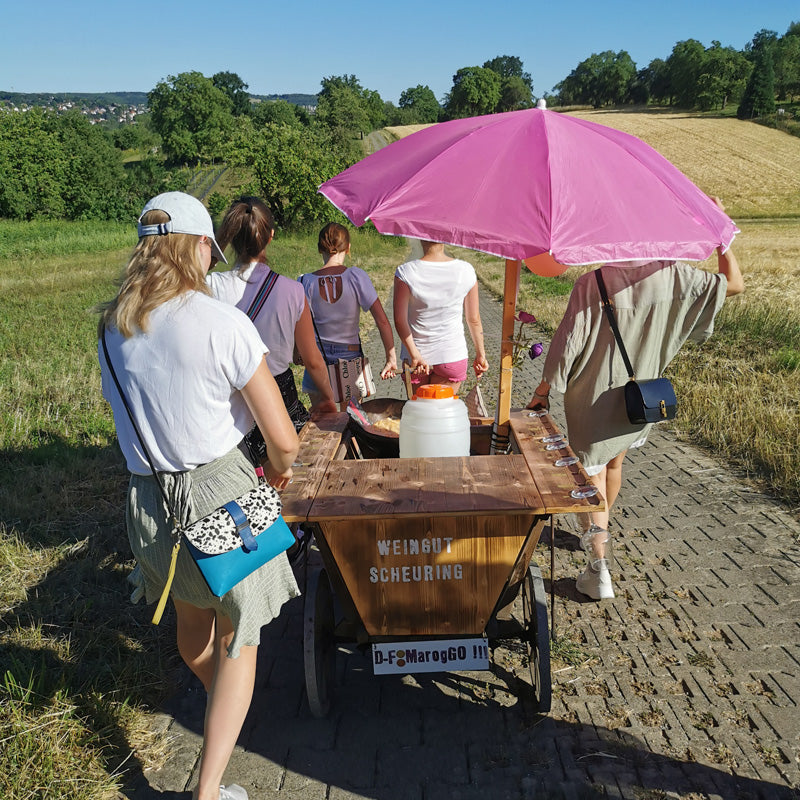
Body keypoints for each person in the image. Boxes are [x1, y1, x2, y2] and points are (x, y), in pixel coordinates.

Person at [98, 191, 300, 800]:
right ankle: (208, 790)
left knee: (194, 628)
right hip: (223, 493)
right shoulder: (221, 323)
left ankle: (223, 710)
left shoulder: (110, 327)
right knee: (242, 638)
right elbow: (283, 439)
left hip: (148, 500)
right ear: (199, 247)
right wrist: (280, 474)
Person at [527, 203, 743, 602]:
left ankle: (598, 569)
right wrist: (720, 235)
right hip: (637, 399)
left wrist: (542, 393)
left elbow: (563, 350)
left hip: (592, 399)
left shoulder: (593, 283)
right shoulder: (675, 275)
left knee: (588, 477)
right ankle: (598, 534)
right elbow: (734, 284)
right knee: (614, 464)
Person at [209, 196, 338, 431]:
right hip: (279, 396)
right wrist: (328, 398)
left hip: (231, 399)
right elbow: (312, 361)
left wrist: (215, 252)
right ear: (271, 236)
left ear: (231, 238)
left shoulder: (212, 286)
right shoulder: (293, 290)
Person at [298, 222, 397, 409]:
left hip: (317, 357)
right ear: (348, 248)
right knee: (352, 421)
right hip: (350, 358)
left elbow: (298, 325)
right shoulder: (356, 276)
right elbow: (382, 320)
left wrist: (297, 352)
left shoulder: (305, 281)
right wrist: (390, 357)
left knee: (322, 423)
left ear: (320, 249)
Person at [393, 239, 489, 394]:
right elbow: (474, 319)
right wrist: (480, 354)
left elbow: (399, 320)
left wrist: (415, 355)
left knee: (420, 415)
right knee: (443, 415)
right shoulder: (466, 270)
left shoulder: (406, 272)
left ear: (420, 237)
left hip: (416, 359)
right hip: (452, 355)